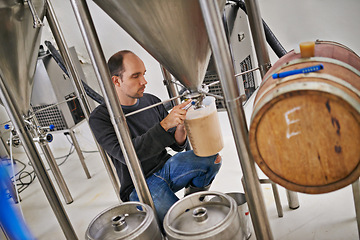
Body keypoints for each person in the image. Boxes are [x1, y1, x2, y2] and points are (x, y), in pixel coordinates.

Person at [89, 50, 221, 223]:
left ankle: (195, 204)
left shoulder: (151, 101)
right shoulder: (101, 118)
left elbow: (177, 146)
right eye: (135, 76)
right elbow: (129, 155)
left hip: (166, 167)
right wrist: (165, 124)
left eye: (143, 74)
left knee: (212, 159)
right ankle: (180, 219)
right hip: (140, 184)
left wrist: (181, 127)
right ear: (116, 80)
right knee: (179, 220)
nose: (144, 81)